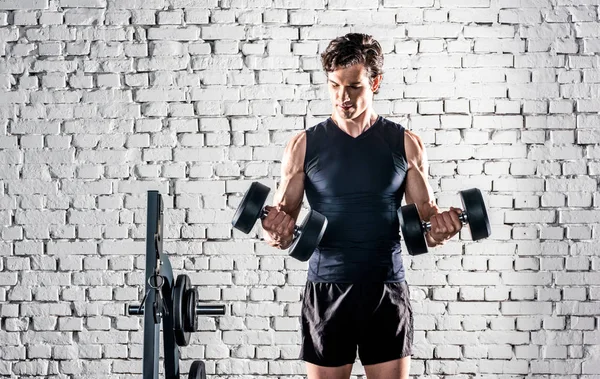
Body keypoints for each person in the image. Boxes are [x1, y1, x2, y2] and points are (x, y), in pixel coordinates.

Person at [261, 33, 463, 379]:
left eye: (354, 86)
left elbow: (426, 227)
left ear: (375, 82)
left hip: (386, 289)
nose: (343, 97)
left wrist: (444, 228)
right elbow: (282, 230)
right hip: (326, 290)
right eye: (334, 85)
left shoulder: (405, 143)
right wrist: (274, 232)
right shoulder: (304, 145)